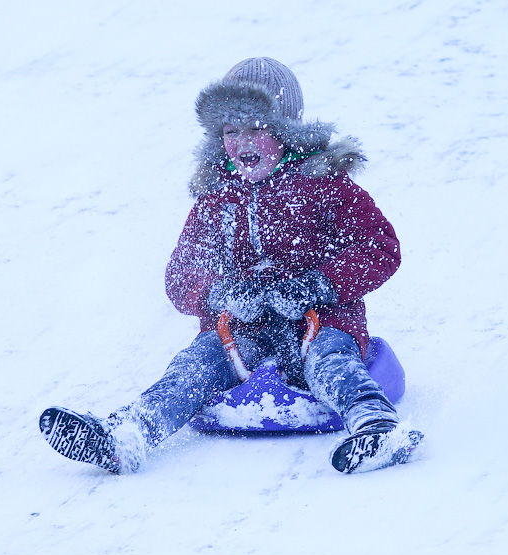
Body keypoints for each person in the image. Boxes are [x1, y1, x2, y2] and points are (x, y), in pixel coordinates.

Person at [39, 57, 422, 474]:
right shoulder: (217, 197)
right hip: (241, 330)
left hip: (321, 320)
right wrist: (219, 294)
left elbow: (378, 248)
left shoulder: (323, 184)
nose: (242, 142)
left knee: (332, 363)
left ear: (285, 129)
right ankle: (125, 435)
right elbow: (181, 274)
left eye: (255, 128)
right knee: (194, 367)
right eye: (230, 131)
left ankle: (377, 430)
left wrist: (320, 284)